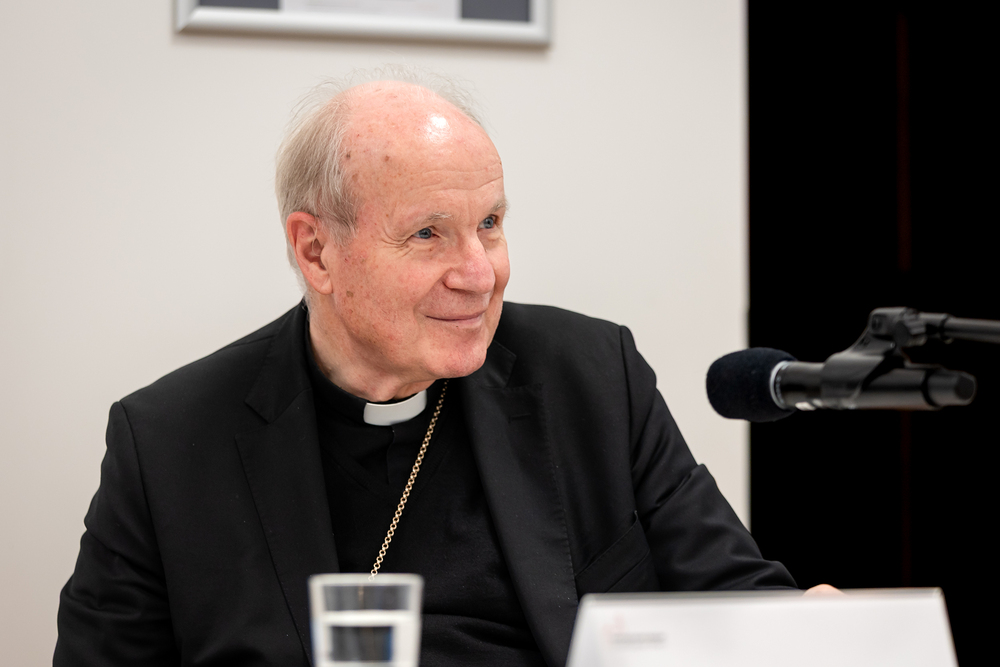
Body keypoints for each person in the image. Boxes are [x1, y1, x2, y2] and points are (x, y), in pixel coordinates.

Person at [54, 69, 797, 667]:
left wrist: (808, 625)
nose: (480, 274)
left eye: (490, 224)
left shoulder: (595, 377)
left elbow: (742, 602)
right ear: (316, 251)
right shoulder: (169, 443)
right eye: (427, 234)